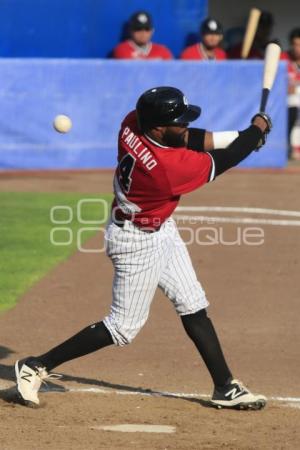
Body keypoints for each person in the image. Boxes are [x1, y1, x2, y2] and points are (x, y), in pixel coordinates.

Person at [15, 86, 272, 410]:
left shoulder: (132, 123)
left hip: (157, 228)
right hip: (136, 244)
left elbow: (187, 138)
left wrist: (245, 134)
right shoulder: (168, 170)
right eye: (178, 121)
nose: (183, 126)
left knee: (192, 303)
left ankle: (225, 386)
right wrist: (254, 134)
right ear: (158, 128)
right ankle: (36, 365)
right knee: (122, 327)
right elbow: (225, 159)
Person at [282, 28, 300, 159]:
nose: (298, 48)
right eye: (295, 44)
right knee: (294, 100)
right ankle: (292, 147)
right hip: (286, 103)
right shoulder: (283, 58)